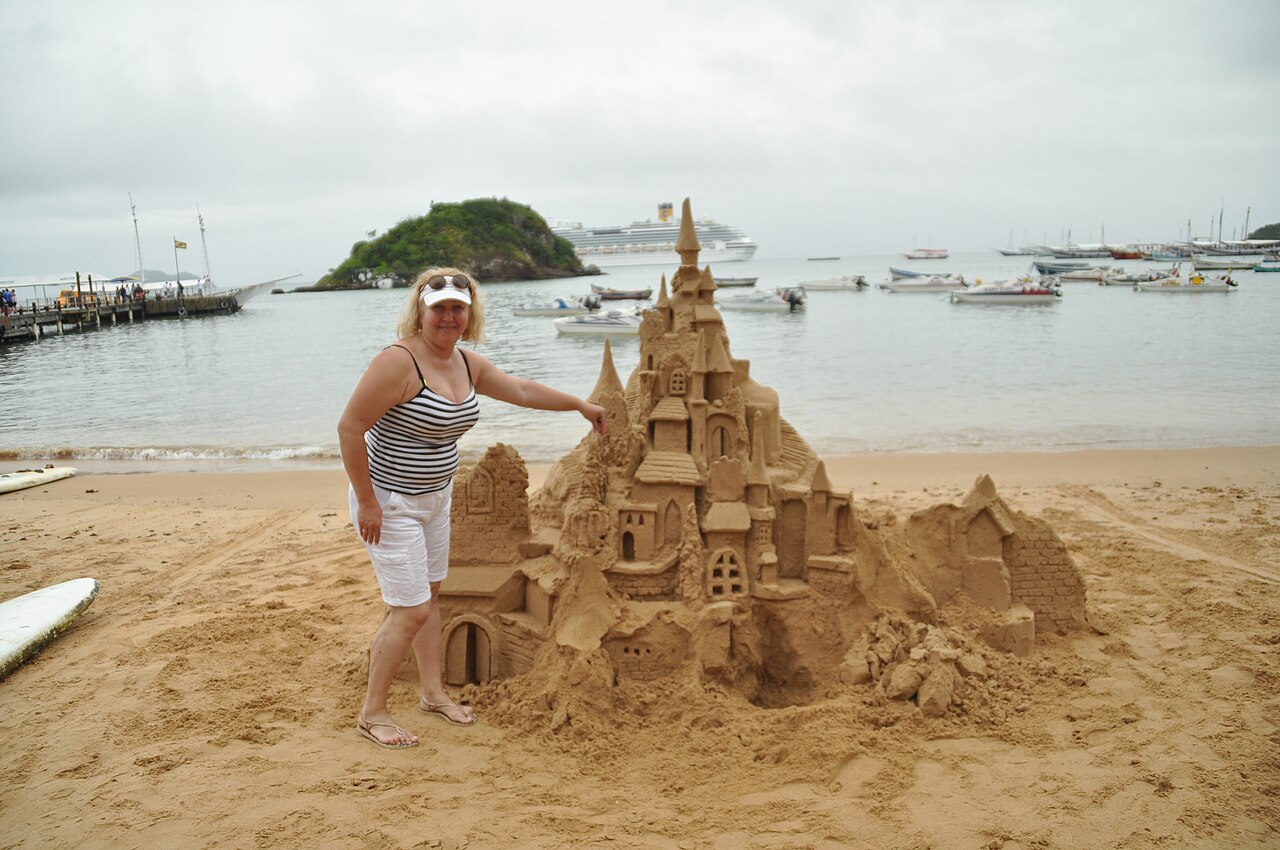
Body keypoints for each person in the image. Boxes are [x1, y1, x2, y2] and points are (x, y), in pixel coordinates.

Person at [337, 267, 606, 749]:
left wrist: (579, 406)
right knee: (410, 609)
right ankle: (372, 712)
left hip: (437, 497)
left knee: (432, 596)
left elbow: (522, 391)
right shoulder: (398, 363)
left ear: (469, 313)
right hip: (389, 501)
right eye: (438, 307)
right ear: (420, 311)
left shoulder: (466, 363)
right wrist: (368, 502)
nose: (448, 317)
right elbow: (350, 427)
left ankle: (433, 692)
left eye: (457, 308)